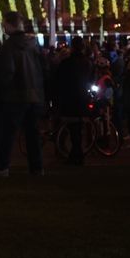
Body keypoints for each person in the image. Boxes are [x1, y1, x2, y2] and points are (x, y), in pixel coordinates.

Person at [0, 12, 47, 177]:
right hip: (35, 95)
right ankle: (36, 168)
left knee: (8, 134)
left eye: (4, 25)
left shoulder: (8, 47)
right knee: (33, 134)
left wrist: (2, 89)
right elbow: (44, 69)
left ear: (10, 25)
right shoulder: (33, 45)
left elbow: (7, 73)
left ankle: (3, 167)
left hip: (15, 96)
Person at [55, 36, 94, 166]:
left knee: (73, 129)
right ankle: (76, 154)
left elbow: (59, 81)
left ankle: (75, 155)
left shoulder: (66, 64)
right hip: (83, 98)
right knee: (78, 128)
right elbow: (92, 80)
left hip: (69, 98)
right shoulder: (88, 63)